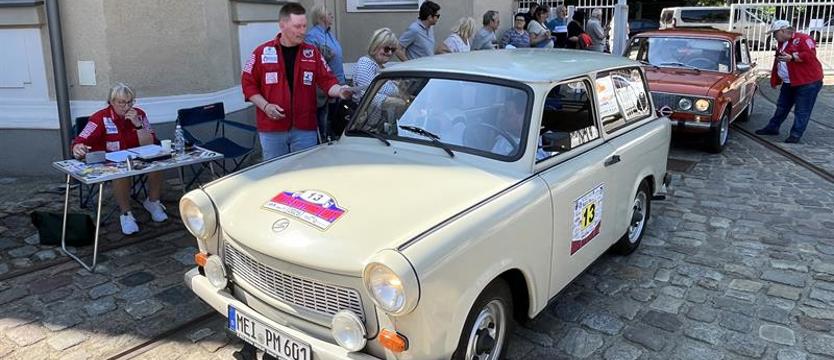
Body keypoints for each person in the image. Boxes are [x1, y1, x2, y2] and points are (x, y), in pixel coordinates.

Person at [241, 3, 352, 161]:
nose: (302, 31)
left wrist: (340, 91)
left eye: (304, 26)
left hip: (305, 128)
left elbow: (328, 81)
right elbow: (248, 85)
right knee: (275, 174)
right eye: (297, 26)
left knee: (304, 173)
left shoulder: (311, 52)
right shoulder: (262, 52)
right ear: (282, 25)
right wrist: (265, 106)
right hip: (272, 130)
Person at [71, 83, 167, 235]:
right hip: (112, 161)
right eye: (121, 102)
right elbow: (80, 140)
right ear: (111, 102)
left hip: (137, 157)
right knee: (121, 172)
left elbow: (150, 143)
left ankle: (152, 202)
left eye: (130, 102)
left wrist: (138, 125)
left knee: (157, 162)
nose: (126, 106)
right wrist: (78, 148)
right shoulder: (100, 118)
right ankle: (126, 213)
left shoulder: (139, 114)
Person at [755, 20, 824, 143]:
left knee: (802, 110)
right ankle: (773, 127)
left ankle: (796, 134)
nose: (774, 36)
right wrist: (775, 78)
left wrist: (792, 58)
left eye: (775, 33)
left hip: (807, 82)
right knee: (782, 106)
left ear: (782, 31)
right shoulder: (782, 42)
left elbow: (810, 55)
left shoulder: (803, 38)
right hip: (790, 81)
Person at [305, 5, 346, 141]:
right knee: (325, 123)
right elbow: (313, 61)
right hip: (324, 91)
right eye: (329, 14)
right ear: (321, 16)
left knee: (335, 120)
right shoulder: (312, 36)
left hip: (337, 84)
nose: (332, 16)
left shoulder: (328, 33)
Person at [353, 28, 405, 125]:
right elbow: (367, 96)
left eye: (392, 50)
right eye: (386, 48)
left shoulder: (380, 68)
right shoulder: (366, 64)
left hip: (378, 127)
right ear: (375, 46)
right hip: (365, 127)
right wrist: (401, 102)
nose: (389, 53)